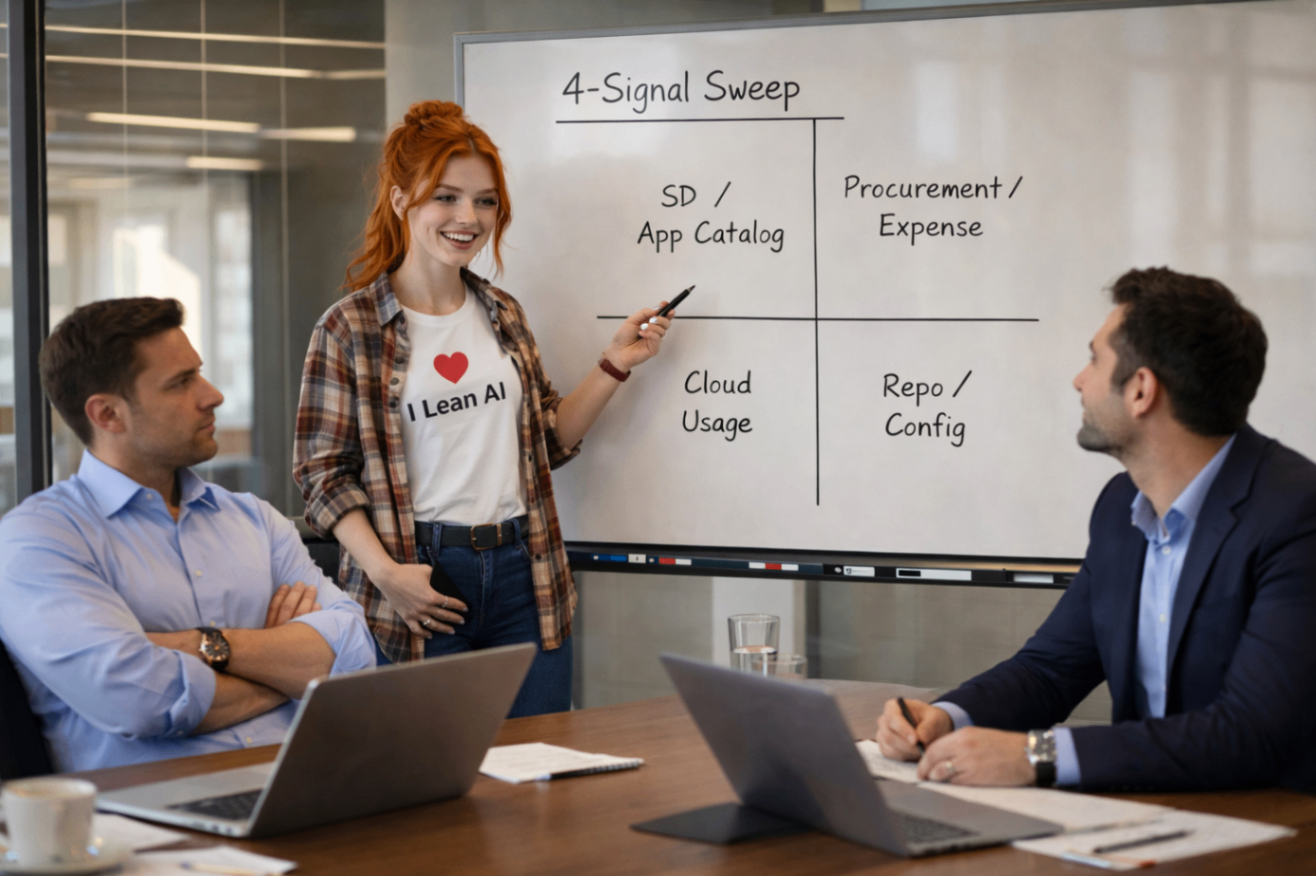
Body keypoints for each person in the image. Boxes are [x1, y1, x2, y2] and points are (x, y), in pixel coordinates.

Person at [293, 100, 674, 717]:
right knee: (436, 787)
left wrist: (613, 365)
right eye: (445, 197)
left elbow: (546, 442)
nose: (468, 217)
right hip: (420, 578)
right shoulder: (350, 328)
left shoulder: (502, 312)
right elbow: (322, 477)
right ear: (400, 201)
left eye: (485, 201)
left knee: (544, 779)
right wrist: (389, 576)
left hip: (527, 576)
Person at [876, 267, 1316, 793]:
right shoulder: (1120, 508)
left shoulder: (1294, 513)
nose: (1079, 380)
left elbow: (1249, 733)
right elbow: (1050, 670)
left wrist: (1037, 754)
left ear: (1141, 390)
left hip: (1273, 835)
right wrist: (945, 717)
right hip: (1144, 821)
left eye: (1093, 359)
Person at [0, 298, 375, 772]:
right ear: (108, 415)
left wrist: (200, 644)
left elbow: (356, 659)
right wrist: (288, 665)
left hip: (307, 782)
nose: (213, 395)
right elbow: (141, 702)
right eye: (181, 383)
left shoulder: (254, 519)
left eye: (198, 372)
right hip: (153, 821)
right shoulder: (38, 540)